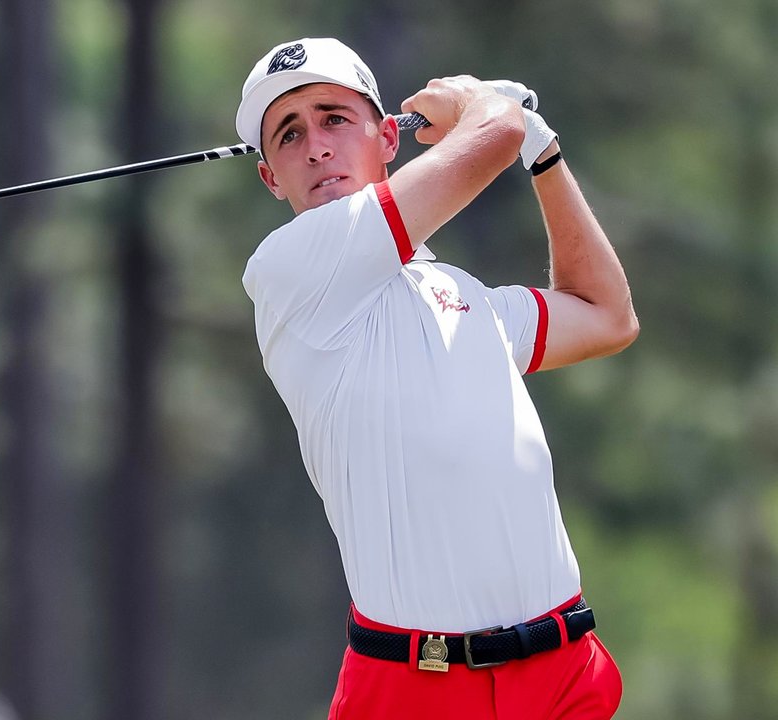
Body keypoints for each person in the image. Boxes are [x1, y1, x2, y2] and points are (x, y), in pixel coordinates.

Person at [236, 37, 638, 720]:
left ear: (388, 138)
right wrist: (487, 109)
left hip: (564, 671)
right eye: (289, 134)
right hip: (415, 689)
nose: (316, 146)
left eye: (335, 118)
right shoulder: (289, 273)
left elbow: (607, 315)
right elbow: (493, 132)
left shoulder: (460, 294)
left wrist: (543, 155)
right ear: (271, 177)